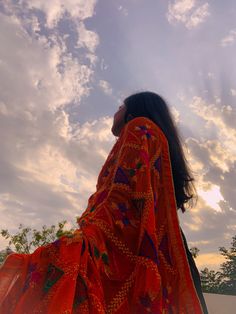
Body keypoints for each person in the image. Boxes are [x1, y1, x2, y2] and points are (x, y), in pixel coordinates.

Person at [0, 91, 208, 313]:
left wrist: (89, 235)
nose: (115, 112)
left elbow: (123, 195)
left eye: (120, 107)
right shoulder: (152, 136)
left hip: (140, 242)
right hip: (163, 246)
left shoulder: (138, 128)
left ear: (133, 110)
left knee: (62, 265)